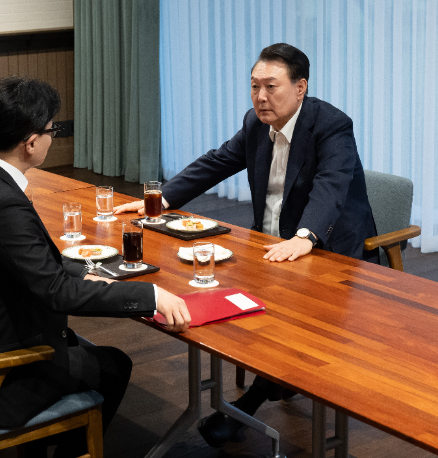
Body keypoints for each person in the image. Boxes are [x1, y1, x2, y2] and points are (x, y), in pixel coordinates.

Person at [115, 43, 379, 447]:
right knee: (219, 294)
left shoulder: (331, 126)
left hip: (327, 250)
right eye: (254, 86)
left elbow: (330, 186)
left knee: (289, 318)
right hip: (269, 245)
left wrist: (305, 238)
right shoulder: (256, 123)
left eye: (271, 87)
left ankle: (252, 400)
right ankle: (276, 380)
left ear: (300, 87)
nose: (260, 97)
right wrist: (162, 198)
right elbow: (218, 161)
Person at [0, 76, 190, 457]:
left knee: (84, 347)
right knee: (114, 365)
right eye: (52, 130)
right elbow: (56, 293)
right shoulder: (0, 201)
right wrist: (149, 294)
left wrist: (79, 270)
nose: (53, 137)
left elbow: (23, 262)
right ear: (31, 143)